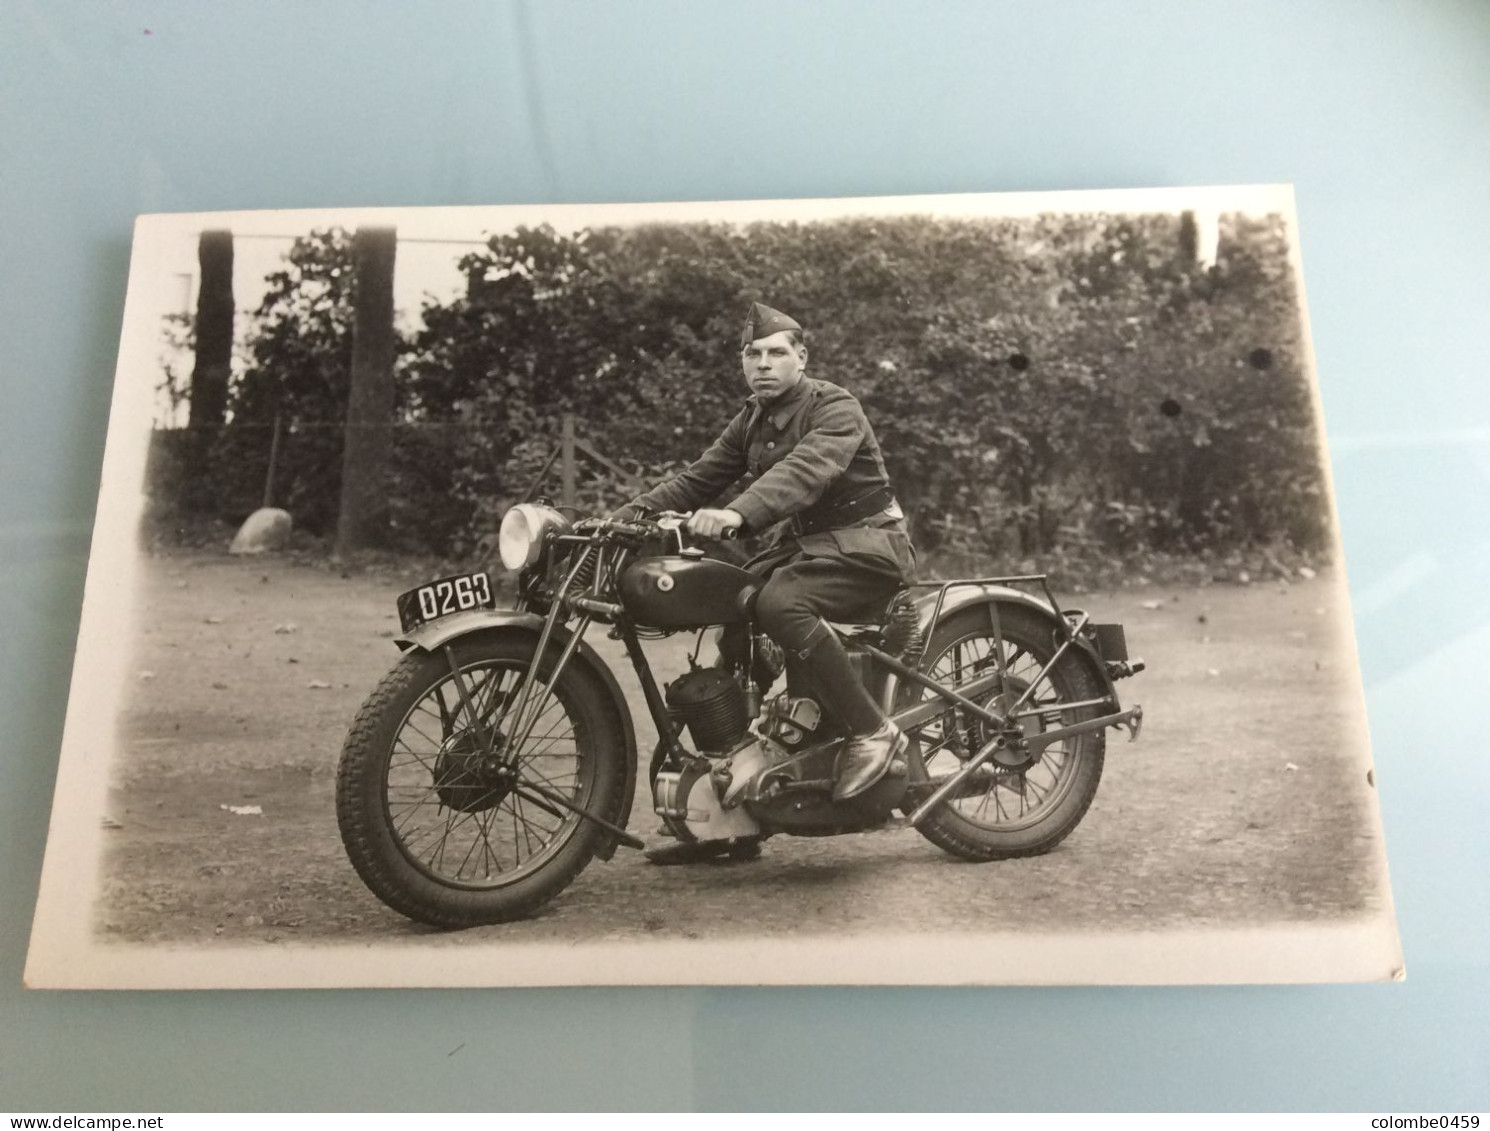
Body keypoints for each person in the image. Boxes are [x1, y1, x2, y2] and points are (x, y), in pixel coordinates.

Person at [617, 302, 917, 811]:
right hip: (808, 548)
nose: (763, 363)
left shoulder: (835, 406)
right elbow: (697, 478)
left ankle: (874, 731)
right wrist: (623, 519)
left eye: (777, 353)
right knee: (730, 598)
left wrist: (737, 513)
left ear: (801, 358)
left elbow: (806, 468)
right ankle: (734, 759)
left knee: (781, 604)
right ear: (742, 362)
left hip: (866, 546)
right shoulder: (752, 419)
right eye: (752, 354)